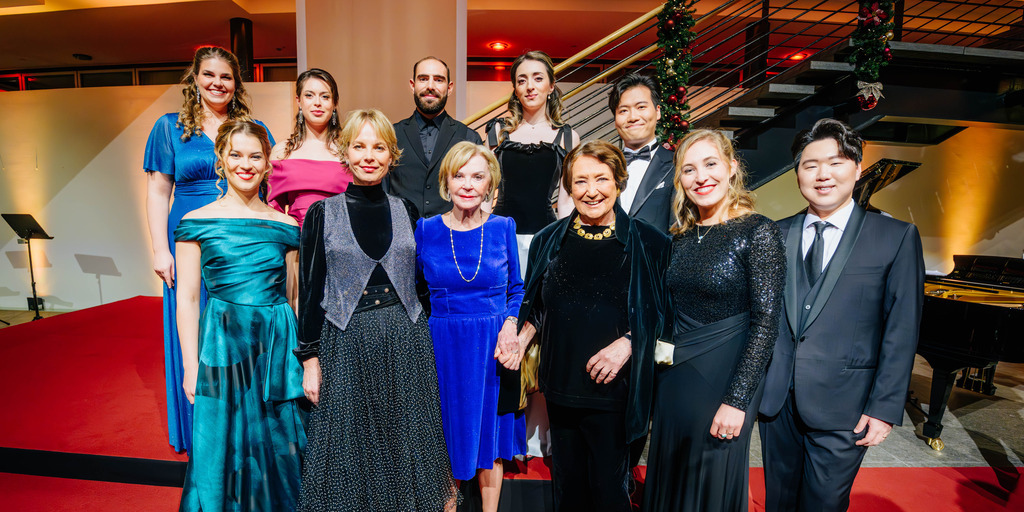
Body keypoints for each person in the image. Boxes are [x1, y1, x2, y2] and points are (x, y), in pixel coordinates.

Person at [294, 109, 459, 511]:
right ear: (346, 153)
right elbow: (311, 289)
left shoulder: (407, 211)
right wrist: (310, 359)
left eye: (379, 147)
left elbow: (421, 285)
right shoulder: (322, 213)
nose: (369, 155)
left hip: (406, 340)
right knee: (351, 447)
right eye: (359, 146)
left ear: (391, 156)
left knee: (405, 443)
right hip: (345, 341)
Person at [758, 118, 924, 512]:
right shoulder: (774, 234)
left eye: (834, 163)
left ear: (857, 167)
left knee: (824, 505)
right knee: (779, 502)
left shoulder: (895, 237)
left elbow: (901, 330)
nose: (822, 175)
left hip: (846, 407)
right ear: (797, 172)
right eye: (809, 164)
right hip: (777, 402)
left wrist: (884, 408)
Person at [515, 140, 669, 512]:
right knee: (567, 490)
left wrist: (629, 343)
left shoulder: (650, 243)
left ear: (618, 181)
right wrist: (519, 339)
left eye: (601, 179)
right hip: (561, 387)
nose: (591, 190)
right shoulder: (548, 240)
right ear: (569, 188)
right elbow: (536, 306)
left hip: (617, 392)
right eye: (580, 181)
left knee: (609, 492)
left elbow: (664, 313)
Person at [642, 129, 786, 512]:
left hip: (725, 382)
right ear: (680, 181)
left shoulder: (759, 232)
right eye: (688, 170)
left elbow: (766, 323)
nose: (700, 177)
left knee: (711, 475)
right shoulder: (681, 237)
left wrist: (737, 401)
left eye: (710, 164)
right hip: (674, 378)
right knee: (670, 472)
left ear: (731, 168)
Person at [143, 45, 274, 453]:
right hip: (189, 238)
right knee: (192, 320)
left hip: (238, 238)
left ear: (236, 84)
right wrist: (159, 250)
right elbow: (158, 190)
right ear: (195, 79)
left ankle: (243, 421)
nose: (217, 83)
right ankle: (200, 426)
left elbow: (266, 192)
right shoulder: (169, 128)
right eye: (209, 75)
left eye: (226, 77)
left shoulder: (254, 128)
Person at [174, 120, 305, 510]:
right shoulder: (195, 222)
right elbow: (188, 299)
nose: (245, 164)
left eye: (255, 156)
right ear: (221, 160)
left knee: (279, 443)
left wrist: (301, 360)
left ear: (267, 163)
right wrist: (190, 366)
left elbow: (294, 298)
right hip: (222, 346)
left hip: (276, 347)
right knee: (223, 444)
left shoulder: (286, 224)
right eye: (236, 155)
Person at [415, 141, 527, 512]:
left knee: (490, 434)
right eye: (459, 175)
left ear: (490, 183)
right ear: (446, 180)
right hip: (443, 341)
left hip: (493, 342)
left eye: (477, 176)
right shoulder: (426, 229)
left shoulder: (503, 227)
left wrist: (511, 324)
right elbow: (415, 288)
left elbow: (517, 288)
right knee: (445, 431)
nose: (467, 184)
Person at [487, 50, 581, 459]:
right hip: (501, 241)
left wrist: (563, 248)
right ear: (514, 85)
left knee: (541, 333)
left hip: (545, 241)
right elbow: (486, 194)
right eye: (522, 79)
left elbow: (567, 200)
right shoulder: (494, 135)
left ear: (551, 85)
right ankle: (507, 437)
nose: (530, 86)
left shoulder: (567, 138)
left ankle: (538, 442)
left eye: (538, 78)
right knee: (505, 327)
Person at [387, 56, 483, 218]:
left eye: (438, 80)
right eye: (423, 79)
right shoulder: (391, 135)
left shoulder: (469, 138)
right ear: (413, 85)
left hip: (452, 235)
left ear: (449, 88)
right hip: (401, 236)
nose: (430, 86)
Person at [269, 68, 353, 227]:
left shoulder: (349, 151)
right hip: (297, 243)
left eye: (325, 96)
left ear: (334, 103)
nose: (317, 103)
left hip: (343, 238)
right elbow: (273, 210)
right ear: (298, 101)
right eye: (309, 95)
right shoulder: (282, 152)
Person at [608, 73, 674, 233]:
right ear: (615, 119)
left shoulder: (677, 165)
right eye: (623, 110)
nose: (632, 117)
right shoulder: (604, 167)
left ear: (657, 112)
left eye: (641, 107)